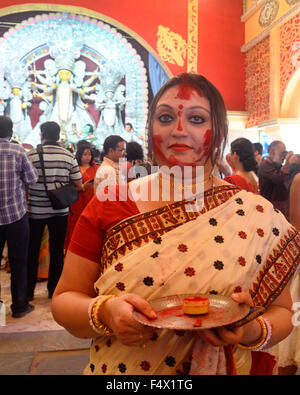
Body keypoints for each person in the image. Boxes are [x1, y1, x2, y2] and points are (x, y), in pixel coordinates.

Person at [52, 73, 299, 375]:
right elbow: (64, 300)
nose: (179, 131)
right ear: (150, 128)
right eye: (166, 117)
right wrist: (105, 312)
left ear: (218, 132)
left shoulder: (253, 210)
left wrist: (249, 331)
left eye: (196, 119)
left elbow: (283, 313)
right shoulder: (112, 200)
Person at [27, 121, 82, 300]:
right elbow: (78, 184)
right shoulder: (68, 156)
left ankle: (28, 292)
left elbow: (25, 180)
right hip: (60, 210)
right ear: (58, 136)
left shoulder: (31, 155)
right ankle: (53, 290)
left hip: (35, 210)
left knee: (32, 249)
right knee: (57, 251)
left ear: (42, 135)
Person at [0, 116, 38, 317]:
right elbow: (32, 178)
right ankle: (19, 306)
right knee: (19, 261)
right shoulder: (17, 150)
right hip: (15, 215)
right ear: (10, 132)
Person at [64, 145, 99, 250]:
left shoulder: (96, 169)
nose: (87, 157)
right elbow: (68, 187)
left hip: (91, 202)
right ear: (79, 155)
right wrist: (83, 188)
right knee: (74, 226)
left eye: (89, 154)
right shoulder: (74, 168)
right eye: (85, 154)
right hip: (76, 202)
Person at [258, 140, 294, 219]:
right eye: (282, 153)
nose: (284, 156)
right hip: (271, 209)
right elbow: (279, 179)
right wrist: (287, 163)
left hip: (280, 208)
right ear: (272, 152)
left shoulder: (277, 165)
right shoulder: (265, 165)